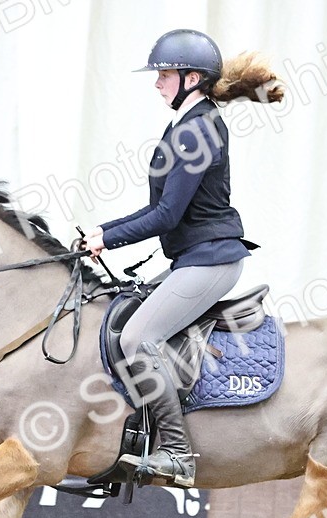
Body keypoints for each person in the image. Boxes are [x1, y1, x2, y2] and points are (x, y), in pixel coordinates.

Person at [83, 29, 283, 488]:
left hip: (210, 261)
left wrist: (108, 240)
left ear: (192, 78)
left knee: (137, 339)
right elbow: (162, 210)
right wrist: (103, 231)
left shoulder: (197, 130)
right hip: (195, 257)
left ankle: (176, 452)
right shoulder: (188, 123)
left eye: (164, 75)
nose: (157, 84)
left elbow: (167, 215)